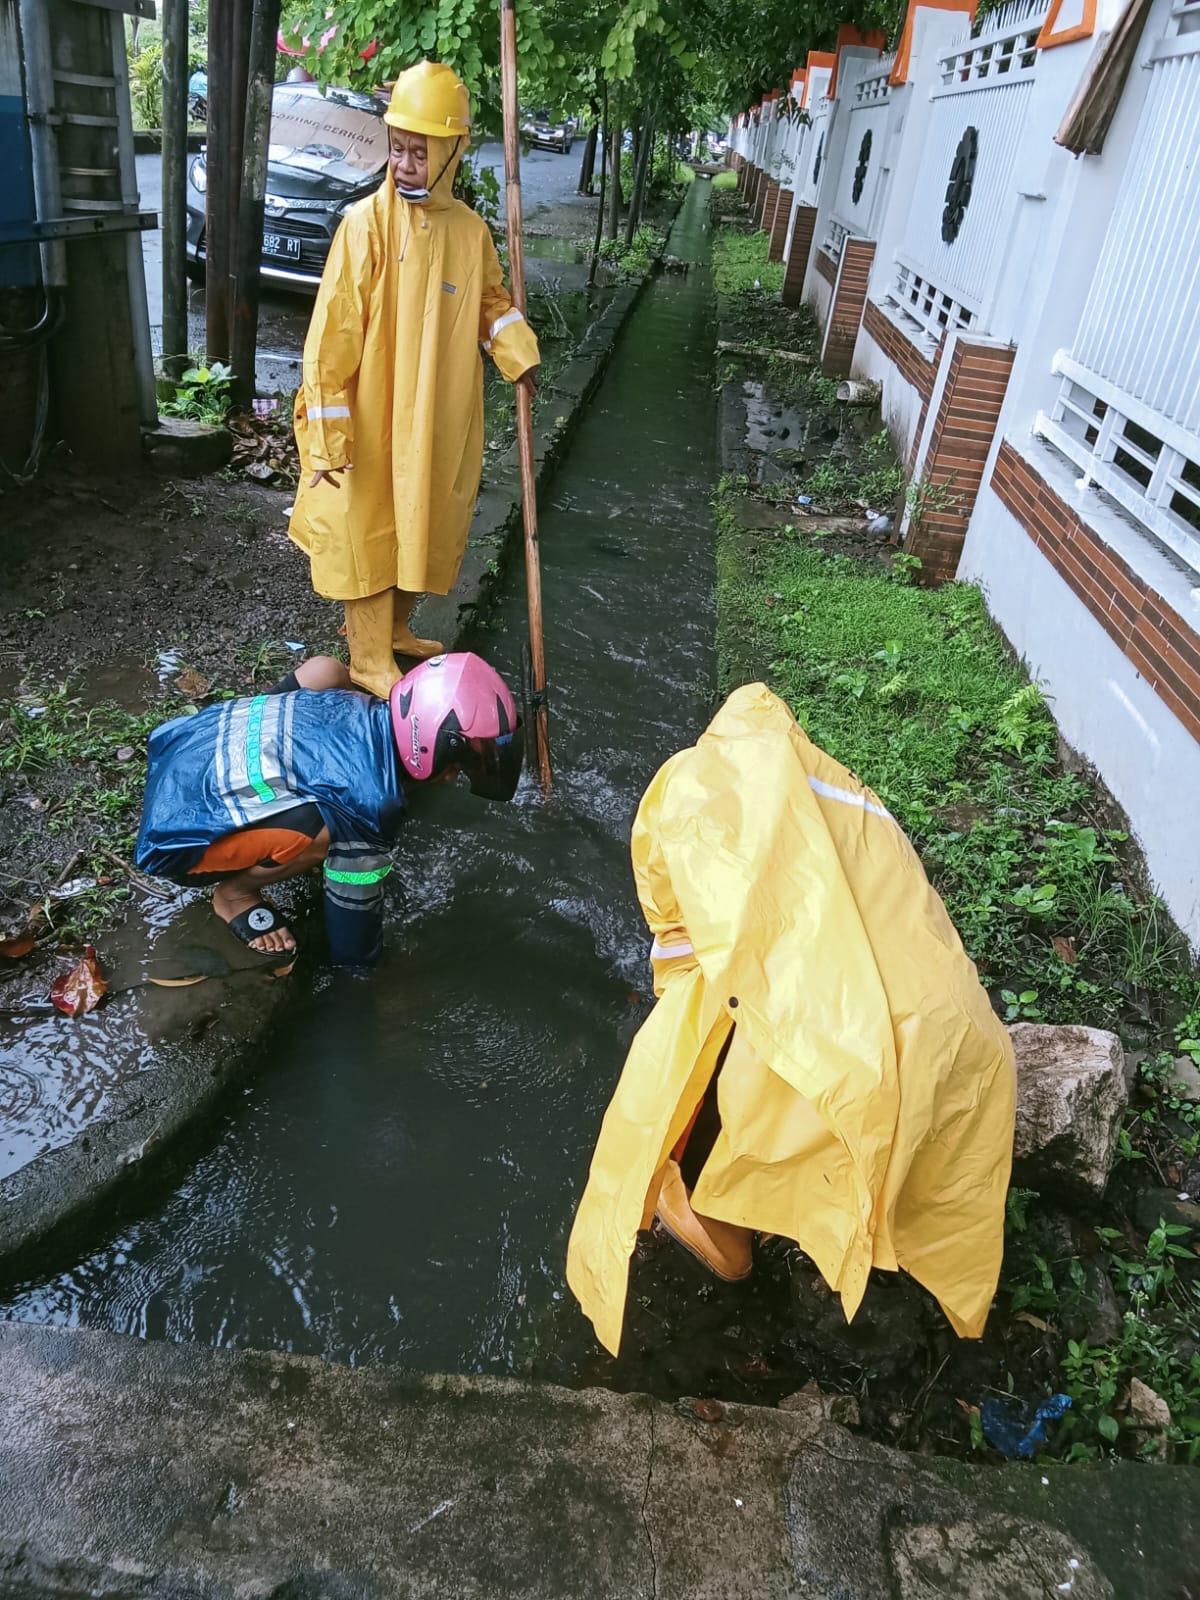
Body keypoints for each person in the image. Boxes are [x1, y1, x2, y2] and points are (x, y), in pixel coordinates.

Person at [566, 683, 1016, 1358]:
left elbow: (676, 929)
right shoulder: (844, 790)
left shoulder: (693, 782)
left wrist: (683, 1017)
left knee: (707, 1045)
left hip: (856, 1041)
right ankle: (851, 1217)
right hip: (963, 1040)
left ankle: (721, 1225)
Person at [287, 60, 541, 700]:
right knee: (369, 527)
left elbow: (490, 303)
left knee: (419, 523)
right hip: (372, 414)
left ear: (452, 152)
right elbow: (332, 335)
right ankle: (368, 657)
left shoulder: (470, 233)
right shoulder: (366, 225)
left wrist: (519, 354)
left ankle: (396, 632)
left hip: (436, 412)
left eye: (419, 152)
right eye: (397, 148)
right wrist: (326, 437)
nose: (403, 164)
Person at [134, 652, 523, 965]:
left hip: (186, 746)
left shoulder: (353, 703)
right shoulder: (370, 807)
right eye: (460, 764)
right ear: (429, 749)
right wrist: (362, 972)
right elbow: (353, 929)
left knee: (327, 669)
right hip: (174, 841)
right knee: (329, 832)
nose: (454, 777)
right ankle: (234, 894)